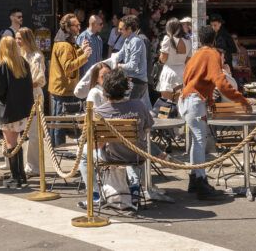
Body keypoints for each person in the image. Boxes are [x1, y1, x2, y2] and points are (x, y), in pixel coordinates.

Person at [181, 25, 251, 200]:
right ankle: (201, 181)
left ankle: (194, 179)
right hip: (195, 100)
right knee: (199, 141)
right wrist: (240, 98)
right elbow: (220, 81)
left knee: (196, 141)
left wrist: (210, 99)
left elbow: (190, 79)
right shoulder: (213, 54)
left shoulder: (195, 55)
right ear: (214, 39)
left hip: (186, 99)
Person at [79, 68, 155, 208]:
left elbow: (96, 144)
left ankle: (95, 195)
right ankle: (134, 187)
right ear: (125, 87)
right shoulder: (139, 105)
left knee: (84, 155)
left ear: (105, 89)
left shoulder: (100, 112)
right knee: (130, 147)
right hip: (138, 154)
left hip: (113, 156)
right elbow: (148, 127)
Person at [0, 36, 34, 189]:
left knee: (11, 144)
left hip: (8, 110)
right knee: (17, 143)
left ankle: (15, 177)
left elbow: (0, 90)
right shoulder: (23, 63)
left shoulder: (3, 64)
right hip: (22, 110)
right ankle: (21, 175)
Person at [49, 13, 92, 146]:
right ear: (68, 27)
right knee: (59, 122)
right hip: (62, 89)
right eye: (76, 25)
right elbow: (68, 66)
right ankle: (57, 148)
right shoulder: (64, 45)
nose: (79, 27)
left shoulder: (67, 42)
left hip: (64, 88)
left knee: (61, 121)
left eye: (79, 24)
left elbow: (70, 58)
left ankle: (57, 146)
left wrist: (81, 51)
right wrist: (84, 56)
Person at [16, 27, 46, 176]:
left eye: (20, 39)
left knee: (34, 133)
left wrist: (22, 85)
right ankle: (16, 164)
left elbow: (39, 79)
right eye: (16, 38)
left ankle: (34, 166)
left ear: (27, 39)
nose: (17, 41)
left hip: (34, 96)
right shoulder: (18, 55)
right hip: (20, 96)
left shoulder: (36, 56)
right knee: (18, 132)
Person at [114, 15, 150, 109]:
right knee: (134, 109)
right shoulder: (127, 40)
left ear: (129, 29)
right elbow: (119, 55)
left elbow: (133, 65)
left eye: (121, 29)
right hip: (133, 81)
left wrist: (119, 66)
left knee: (131, 110)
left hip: (137, 82)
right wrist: (110, 61)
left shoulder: (136, 41)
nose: (119, 31)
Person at [157, 18, 192, 100]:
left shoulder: (167, 39)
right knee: (181, 103)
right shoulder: (188, 40)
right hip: (183, 73)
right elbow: (188, 60)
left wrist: (159, 57)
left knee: (166, 104)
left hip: (169, 72)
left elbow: (163, 59)